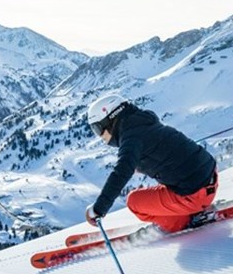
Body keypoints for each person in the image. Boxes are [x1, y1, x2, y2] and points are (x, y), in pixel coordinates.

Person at [85, 94, 218, 233]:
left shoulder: (131, 138)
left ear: (110, 120)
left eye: (98, 129)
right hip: (210, 176)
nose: (100, 136)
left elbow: (121, 172)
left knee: (134, 202)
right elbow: (160, 153)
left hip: (194, 194)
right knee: (159, 188)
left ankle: (183, 222)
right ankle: (192, 211)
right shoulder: (143, 123)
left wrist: (98, 209)